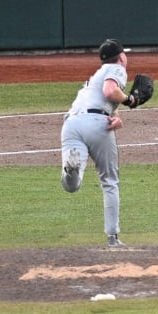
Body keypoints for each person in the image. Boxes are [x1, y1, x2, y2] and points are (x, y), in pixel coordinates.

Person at [60, 39, 137, 248]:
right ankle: (112, 238)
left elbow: (105, 101)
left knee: (72, 186)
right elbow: (110, 91)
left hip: (71, 124)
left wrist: (116, 115)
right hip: (97, 126)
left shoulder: (95, 75)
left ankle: (71, 171)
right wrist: (130, 100)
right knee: (109, 181)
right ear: (121, 57)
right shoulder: (117, 69)